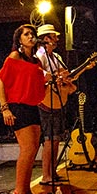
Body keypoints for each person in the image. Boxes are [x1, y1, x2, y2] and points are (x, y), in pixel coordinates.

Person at [0, 24, 47, 194]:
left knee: (33, 149)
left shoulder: (36, 61)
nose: (31, 37)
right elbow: (1, 81)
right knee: (27, 149)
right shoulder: (14, 57)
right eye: (26, 34)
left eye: (32, 34)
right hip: (17, 106)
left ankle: (26, 190)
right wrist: (5, 109)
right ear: (19, 39)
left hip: (32, 106)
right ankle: (18, 193)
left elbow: (39, 86)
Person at [34, 24, 74, 183]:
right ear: (46, 39)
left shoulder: (56, 57)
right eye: (54, 37)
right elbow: (39, 74)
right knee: (49, 138)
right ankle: (46, 175)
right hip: (46, 100)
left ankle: (53, 171)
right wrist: (53, 76)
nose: (57, 39)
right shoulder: (40, 55)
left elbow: (64, 74)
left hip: (57, 99)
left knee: (56, 138)